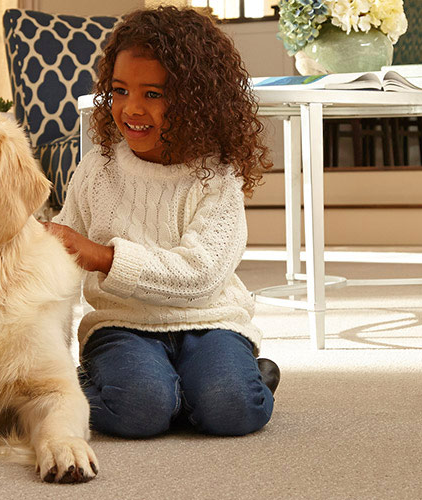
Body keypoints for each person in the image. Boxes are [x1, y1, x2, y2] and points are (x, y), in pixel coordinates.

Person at [42, 6, 279, 439]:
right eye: (119, 90)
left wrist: (102, 257)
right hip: (122, 325)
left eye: (153, 94)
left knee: (232, 410)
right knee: (139, 411)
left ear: (197, 101)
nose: (131, 109)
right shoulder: (97, 169)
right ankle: (169, 393)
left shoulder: (217, 177)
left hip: (211, 321)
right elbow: (59, 256)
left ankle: (239, 380)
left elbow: (202, 275)